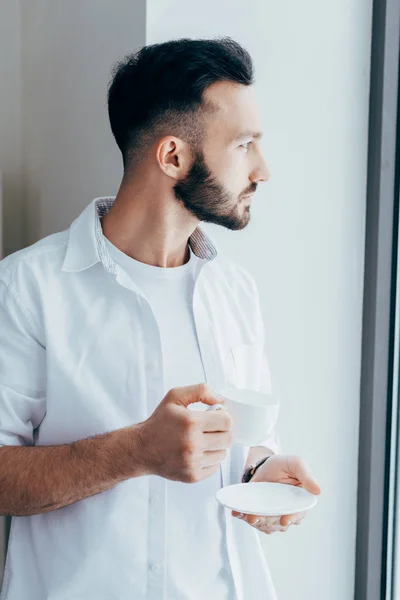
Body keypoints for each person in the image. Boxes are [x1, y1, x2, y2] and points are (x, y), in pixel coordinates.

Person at [0, 37, 321, 600]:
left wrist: (261, 471)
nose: (263, 170)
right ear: (173, 156)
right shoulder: (27, 288)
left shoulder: (236, 291)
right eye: (245, 145)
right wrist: (137, 452)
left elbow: (246, 443)